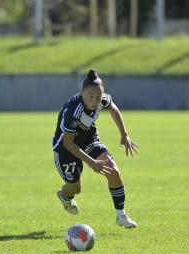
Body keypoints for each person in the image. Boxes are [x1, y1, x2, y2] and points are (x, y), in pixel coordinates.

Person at [52, 69, 139, 228]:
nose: (95, 101)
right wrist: (91, 162)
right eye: (90, 97)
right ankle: (64, 196)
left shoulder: (102, 100)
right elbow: (68, 143)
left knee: (113, 171)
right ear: (82, 93)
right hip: (66, 149)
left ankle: (121, 215)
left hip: (89, 138)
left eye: (98, 97)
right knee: (75, 188)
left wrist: (124, 134)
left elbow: (113, 109)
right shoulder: (73, 111)